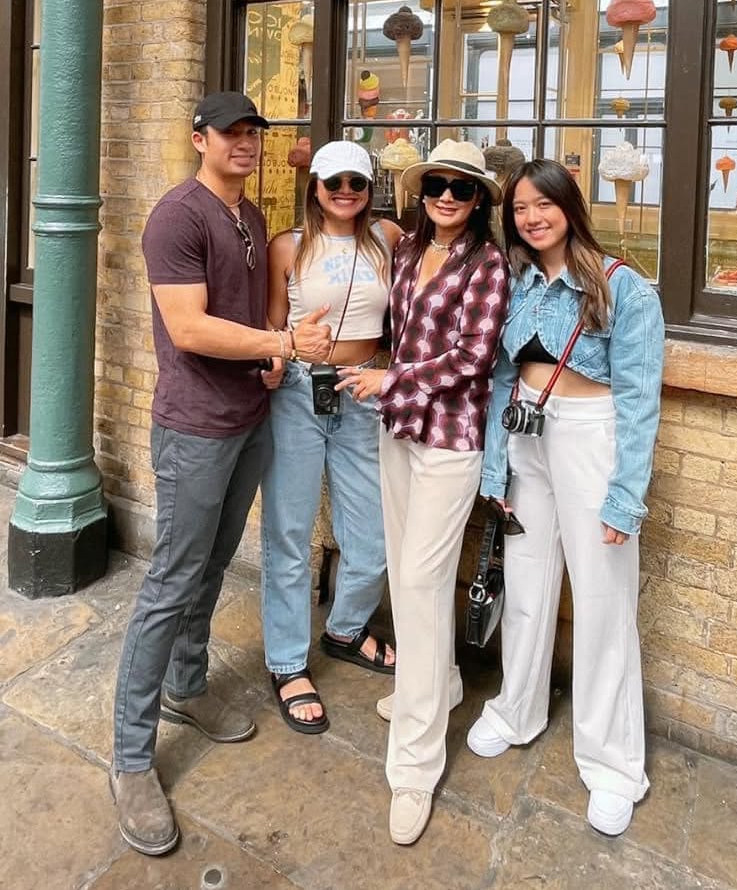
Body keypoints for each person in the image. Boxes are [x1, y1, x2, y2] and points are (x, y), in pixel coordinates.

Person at [110, 92, 332, 857]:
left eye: (253, 132)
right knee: (171, 580)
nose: (245, 142)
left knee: (209, 567)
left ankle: (186, 685)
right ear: (198, 138)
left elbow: (246, 318)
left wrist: (269, 355)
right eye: (230, 132)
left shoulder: (252, 218)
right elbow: (189, 327)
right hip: (194, 428)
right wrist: (283, 344)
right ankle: (131, 758)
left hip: (248, 420)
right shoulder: (177, 216)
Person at [468, 159, 664, 837]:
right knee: (526, 582)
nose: (531, 217)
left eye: (543, 204)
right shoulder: (517, 281)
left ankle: (613, 764)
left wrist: (625, 496)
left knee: (603, 599)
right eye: (520, 208)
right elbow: (501, 378)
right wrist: (495, 468)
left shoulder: (621, 286)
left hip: (590, 439)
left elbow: (639, 398)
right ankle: (516, 708)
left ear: (569, 206)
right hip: (527, 435)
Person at [338, 139, 509, 846]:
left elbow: (473, 357)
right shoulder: (407, 249)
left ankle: (414, 764)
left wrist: (391, 378)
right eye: (436, 184)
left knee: (418, 580)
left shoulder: (489, 264)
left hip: (448, 440)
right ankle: (437, 684)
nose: (445, 197)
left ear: (479, 200)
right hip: (398, 429)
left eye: (461, 189)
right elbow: (390, 325)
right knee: (416, 579)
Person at [261, 140, 401, 734]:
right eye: (333, 182)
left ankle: (345, 629)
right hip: (299, 391)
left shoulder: (389, 239)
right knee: (289, 533)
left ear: (370, 189)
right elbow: (273, 326)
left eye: (356, 183)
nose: (345, 192)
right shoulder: (287, 246)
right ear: (314, 186)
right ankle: (287, 662)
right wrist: (277, 357)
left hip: (362, 392)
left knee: (372, 536)